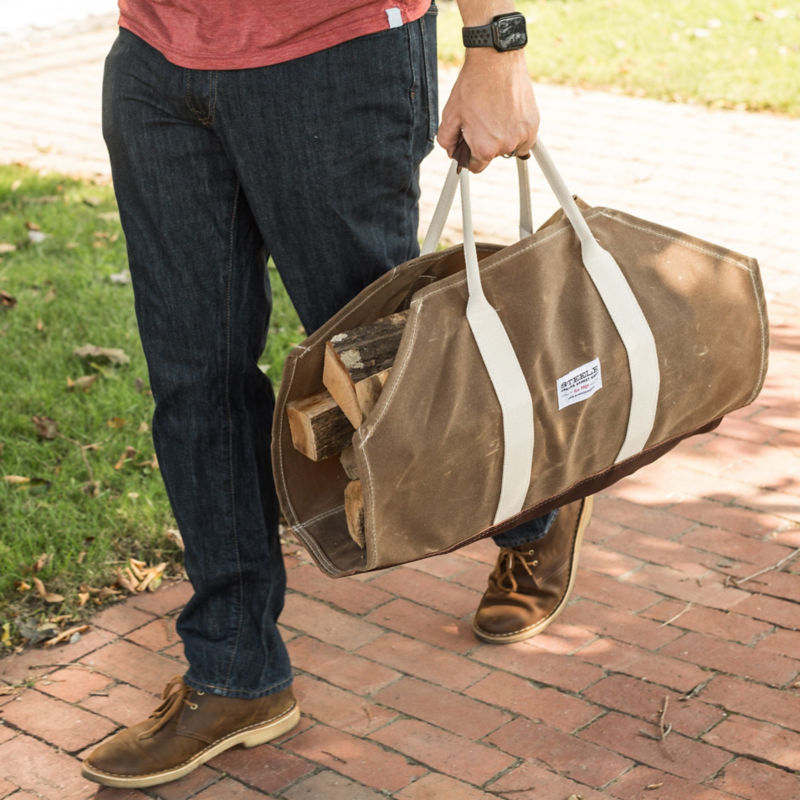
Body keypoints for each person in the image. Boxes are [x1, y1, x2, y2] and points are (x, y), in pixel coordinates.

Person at [81, 0, 592, 789]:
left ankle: (535, 513)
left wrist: (496, 46)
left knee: (389, 379)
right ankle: (235, 675)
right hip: (157, 59)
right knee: (194, 381)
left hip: (331, 56)